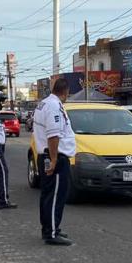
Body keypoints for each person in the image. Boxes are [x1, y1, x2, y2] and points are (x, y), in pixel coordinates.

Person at [33, 77, 76, 246]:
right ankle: (51, 232)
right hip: (54, 157)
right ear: (66, 92)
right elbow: (53, 135)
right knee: (55, 196)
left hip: (48, 155)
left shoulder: (45, 103)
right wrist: (54, 159)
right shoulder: (54, 106)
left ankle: (50, 228)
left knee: (48, 195)